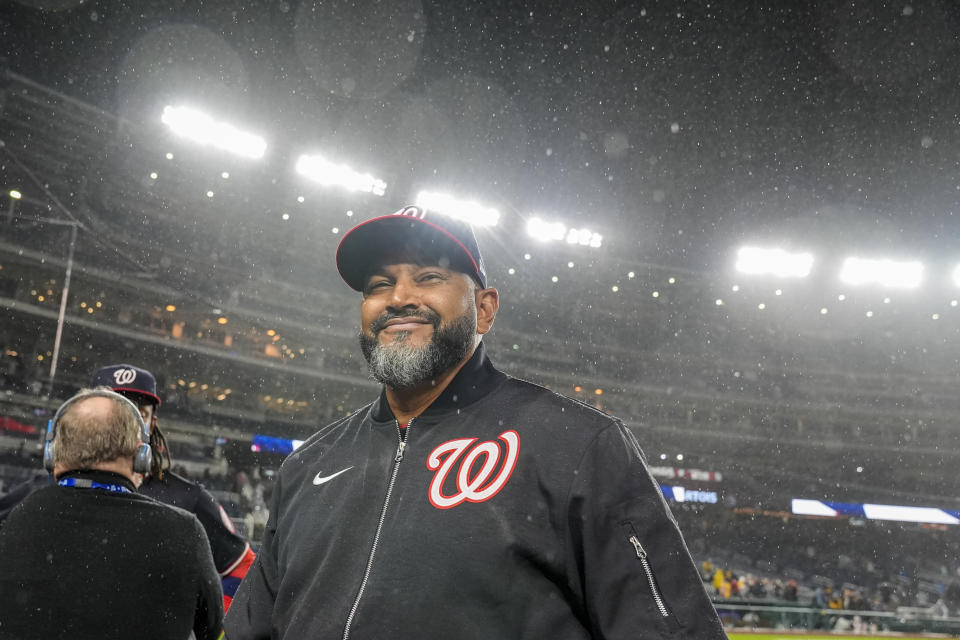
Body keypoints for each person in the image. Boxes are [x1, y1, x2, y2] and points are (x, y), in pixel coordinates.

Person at [225, 205, 725, 639]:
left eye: (429, 277)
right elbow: (253, 628)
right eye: (379, 284)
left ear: (485, 310)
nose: (398, 297)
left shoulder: (577, 444)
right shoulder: (308, 465)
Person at [0, 388, 223, 639]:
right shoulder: (184, 533)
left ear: (52, 453)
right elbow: (215, 632)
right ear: (142, 456)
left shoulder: (12, 522)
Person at [88, 363, 257, 610]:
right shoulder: (47, 492)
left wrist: (212, 627)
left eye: (139, 413)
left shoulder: (188, 499)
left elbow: (243, 566)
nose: (126, 423)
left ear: (152, 423)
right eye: (115, 411)